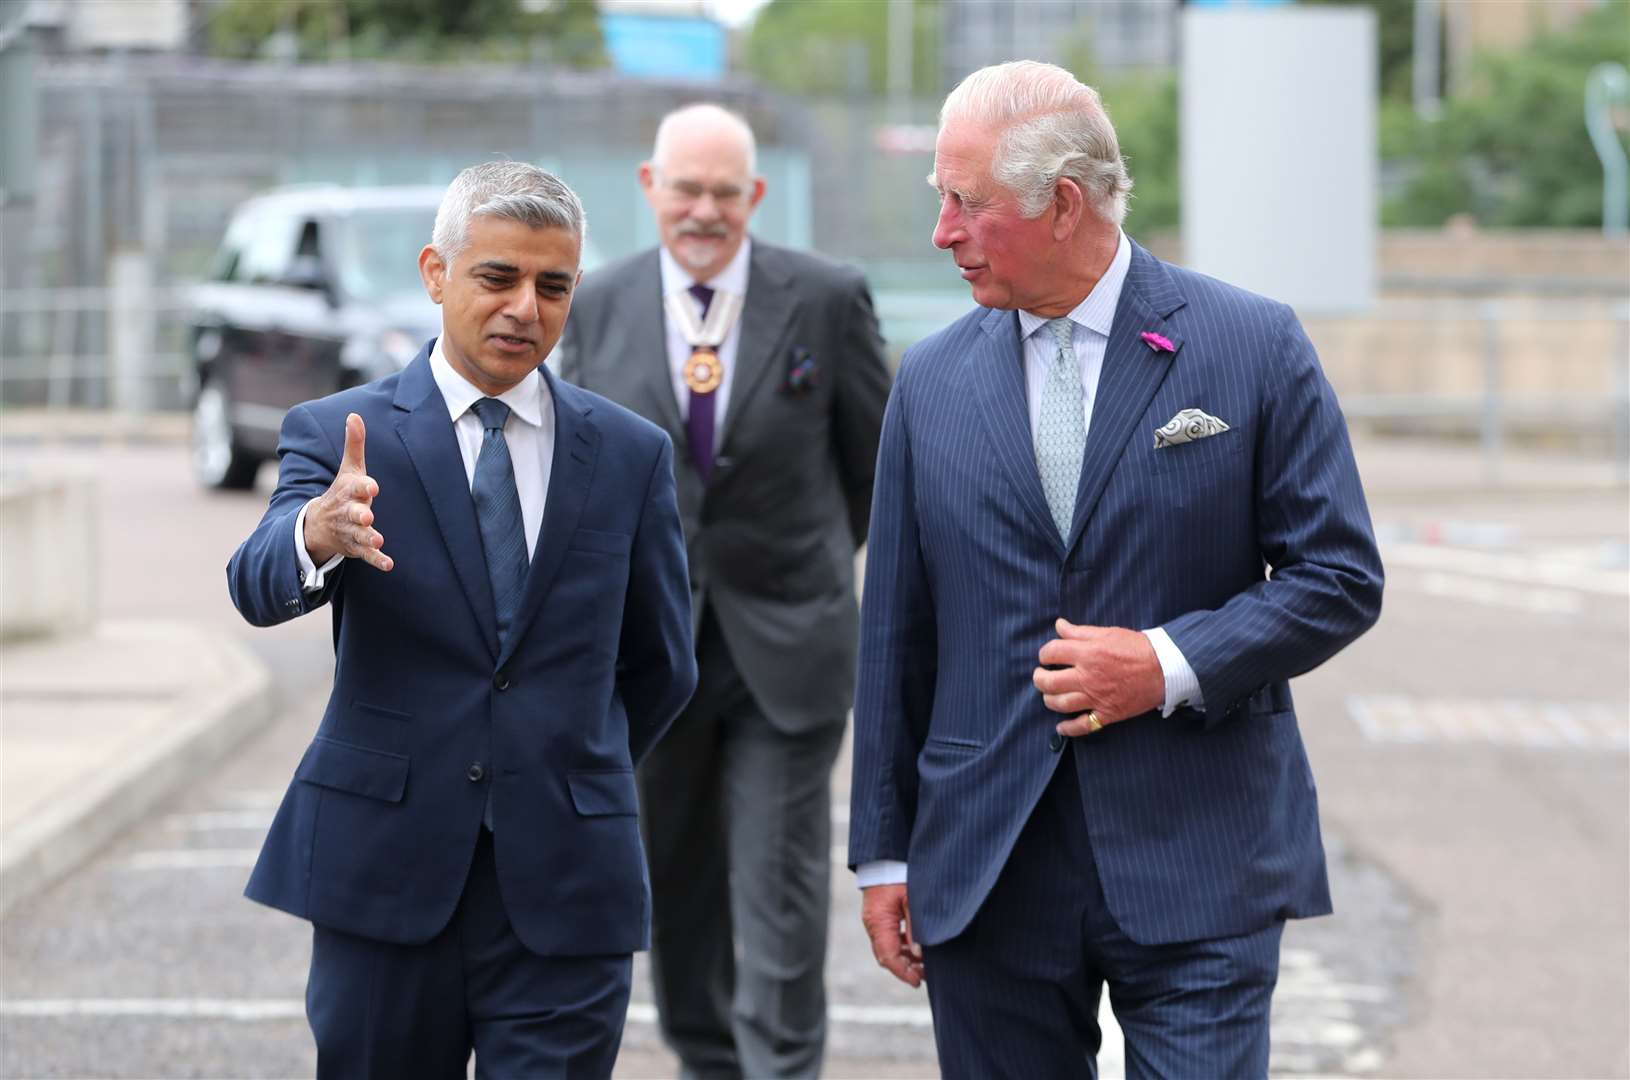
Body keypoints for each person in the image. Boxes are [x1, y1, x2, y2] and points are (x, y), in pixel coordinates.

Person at [847, 61, 1385, 1078]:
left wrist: (1166, 662)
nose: (942, 233)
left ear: (1060, 204)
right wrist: (884, 852)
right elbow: (895, 632)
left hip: (1199, 854)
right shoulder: (928, 380)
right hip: (987, 864)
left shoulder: (1250, 345)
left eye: (966, 204)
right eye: (940, 202)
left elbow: (1338, 576)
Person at [227, 161, 697, 1077]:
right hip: (385, 878)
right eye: (498, 277)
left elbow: (662, 665)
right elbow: (254, 580)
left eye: (552, 285)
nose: (526, 307)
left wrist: (560, 767)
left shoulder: (631, 455)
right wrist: (316, 534)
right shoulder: (338, 434)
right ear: (436, 273)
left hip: (567, 887)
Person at [558, 103, 890, 1078]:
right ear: (648, 187)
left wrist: (810, 569)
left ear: (754, 195)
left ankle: (780, 1069)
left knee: (777, 885)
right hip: (651, 657)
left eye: (722, 192)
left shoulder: (826, 300)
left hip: (787, 649)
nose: (702, 211)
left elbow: (870, 470)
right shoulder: (597, 303)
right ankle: (707, 1059)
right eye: (684, 189)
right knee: (675, 882)